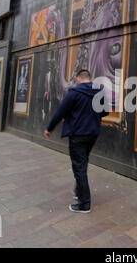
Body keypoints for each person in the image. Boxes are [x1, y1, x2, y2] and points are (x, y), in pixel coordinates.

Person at [44, 69, 109, 213]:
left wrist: (49, 128)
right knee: (82, 162)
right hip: (93, 133)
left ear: (79, 79)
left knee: (79, 167)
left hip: (78, 134)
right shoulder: (99, 92)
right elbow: (105, 112)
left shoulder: (74, 93)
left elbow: (61, 111)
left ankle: (84, 204)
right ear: (89, 79)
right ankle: (79, 190)